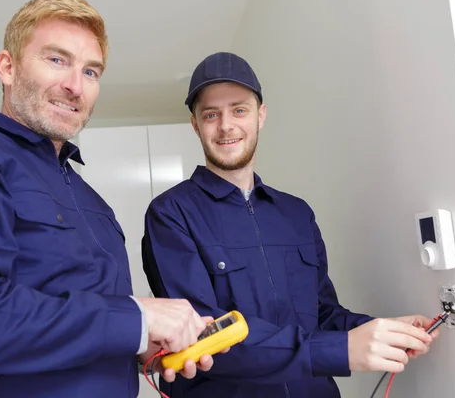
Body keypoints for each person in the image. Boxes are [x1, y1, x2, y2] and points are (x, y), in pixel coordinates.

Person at [0, 0, 221, 397]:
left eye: (90, 70)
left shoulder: (92, 202)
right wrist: (138, 319)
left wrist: (141, 343)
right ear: (7, 68)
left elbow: (84, 328)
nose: (75, 86)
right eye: (57, 60)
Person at [141, 51, 439, 397]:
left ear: (260, 116)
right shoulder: (171, 213)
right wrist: (340, 351)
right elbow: (203, 336)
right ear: (195, 124)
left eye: (239, 110)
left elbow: (322, 313)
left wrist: (380, 331)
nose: (226, 126)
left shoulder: (297, 214)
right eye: (211, 114)